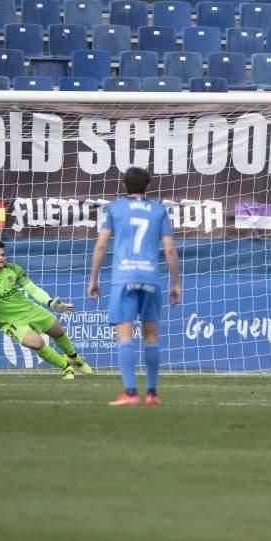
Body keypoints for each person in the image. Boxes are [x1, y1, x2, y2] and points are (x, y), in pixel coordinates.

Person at [87, 167, 181, 406]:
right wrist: (176, 283)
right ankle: (152, 393)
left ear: (124, 184)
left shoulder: (116, 208)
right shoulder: (159, 210)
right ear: (147, 185)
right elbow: (169, 249)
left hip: (124, 277)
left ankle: (130, 393)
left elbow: (100, 246)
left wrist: (93, 280)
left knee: (124, 336)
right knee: (151, 336)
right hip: (150, 277)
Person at [0, 241, 93, 379]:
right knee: (37, 343)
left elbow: (32, 289)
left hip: (29, 309)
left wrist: (50, 302)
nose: (1, 258)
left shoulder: (13, 269)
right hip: (10, 321)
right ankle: (65, 366)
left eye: (2, 255)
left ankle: (73, 357)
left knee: (58, 331)